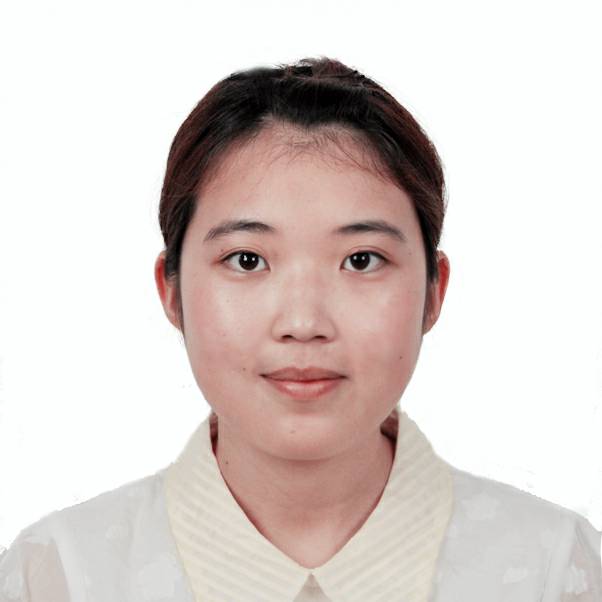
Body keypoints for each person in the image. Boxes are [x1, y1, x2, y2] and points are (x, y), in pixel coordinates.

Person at [1, 56, 600, 602]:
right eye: (247, 260)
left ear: (433, 291)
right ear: (172, 291)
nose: (303, 324)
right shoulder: (56, 576)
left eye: (361, 260)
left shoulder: (557, 570)